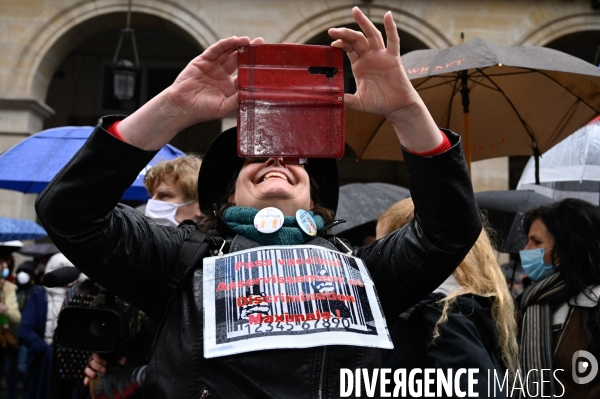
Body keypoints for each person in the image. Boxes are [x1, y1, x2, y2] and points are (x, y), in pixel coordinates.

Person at [35, 7, 481, 398]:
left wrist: (406, 112)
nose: (276, 157)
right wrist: (173, 107)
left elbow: (450, 228)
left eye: (297, 159)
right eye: (255, 155)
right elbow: (70, 212)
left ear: (316, 198)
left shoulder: (367, 270)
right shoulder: (176, 260)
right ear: (227, 194)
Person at [84, 154, 202, 398]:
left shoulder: (209, 267)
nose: (153, 204)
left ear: (199, 205)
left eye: (165, 196)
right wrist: (104, 358)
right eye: (152, 196)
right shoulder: (135, 262)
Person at [376, 198, 519, 397]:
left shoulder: (442, 316)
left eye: (382, 247)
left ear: (414, 249)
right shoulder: (428, 311)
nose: (376, 258)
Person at [519, 198, 600, 398]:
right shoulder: (527, 303)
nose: (526, 250)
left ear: (568, 246)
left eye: (536, 242)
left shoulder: (594, 305)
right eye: (527, 241)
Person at [19, 253, 77, 399]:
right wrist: (46, 351)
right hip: (42, 362)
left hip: (72, 365)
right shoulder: (38, 297)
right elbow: (26, 329)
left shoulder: (79, 297)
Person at [0, 257, 21, 399]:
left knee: (10, 371)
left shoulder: (8, 287)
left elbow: (16, 318)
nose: (4, 266)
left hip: (5, 338)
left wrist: (5, 309)